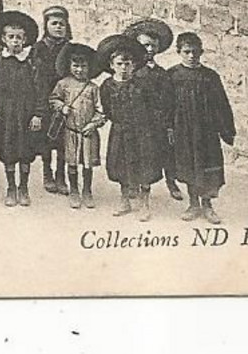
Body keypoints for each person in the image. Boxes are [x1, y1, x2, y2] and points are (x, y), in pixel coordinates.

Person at [168, 32, 236, 224]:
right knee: (189, 165)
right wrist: (168, 129)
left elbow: (222, 104)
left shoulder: (210, 77)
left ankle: (207, 205)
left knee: (207, 166)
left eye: (195, 52)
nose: (191, 56)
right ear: (179, 52)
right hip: (184, 130)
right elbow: (165, 104)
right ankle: (193, 203)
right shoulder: (173, 75)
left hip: (206, 131)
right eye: (187, 52)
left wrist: (226, 130)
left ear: (202, 52)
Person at [99, 34, 167, 220]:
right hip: (120, 131)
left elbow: (154, 106)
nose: (123, 68)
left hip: (143, 132)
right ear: (112, 65)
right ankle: (124, 200)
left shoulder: (143, 85)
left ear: (134, 65)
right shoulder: (107, 86)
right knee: (120, 163)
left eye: (128, 64)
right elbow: (107, 108)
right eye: (119, 64)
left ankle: (144, 203)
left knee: (145, 164)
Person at [0, 10, 47, 207]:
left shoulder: (32, 63)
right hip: (6, 114)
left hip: (26, 113)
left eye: (19, 38)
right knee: (8, 150)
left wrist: (38, 114)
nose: (15, 41)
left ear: (25, 39)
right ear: (3, 39)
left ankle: (24, 187)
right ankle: (11, 187)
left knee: (25, 150)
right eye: (10, 37)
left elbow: (40, 91)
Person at [126, 17, 185, 202]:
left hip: (159, 120)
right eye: (145, 45)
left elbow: (169, 100)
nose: (149, 50)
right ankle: (135, 185)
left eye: (153, 46)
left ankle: (171, 181)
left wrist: (168, 123)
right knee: (139, 153)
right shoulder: (132, 72)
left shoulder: (162, 74)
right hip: (139, 121)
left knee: (166, 151)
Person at [48, 41, 106, 210]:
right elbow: (53, 99)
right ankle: (74, 190)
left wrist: (93, 124)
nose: (79, 70)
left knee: (87, 162)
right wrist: (62, 107)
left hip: (88, 132)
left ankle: (87, 191)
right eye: (75, 66)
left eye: (83, 66)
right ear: (69, 66)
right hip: (70, 131)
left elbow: (101, 110)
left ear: (90, 67)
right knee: (72, 161)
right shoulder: (63, 84)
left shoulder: (93, 88)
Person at [35, 6, 74, 195]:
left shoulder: (69, 48)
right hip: (43, 97)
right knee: (46, 138)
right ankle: (47, 173)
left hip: (64, 98)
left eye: (62, 24)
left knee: (63, 140)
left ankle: (61, 175)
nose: (58, 27)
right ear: (46, 25)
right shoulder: (38, 48)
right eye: (54, 24)